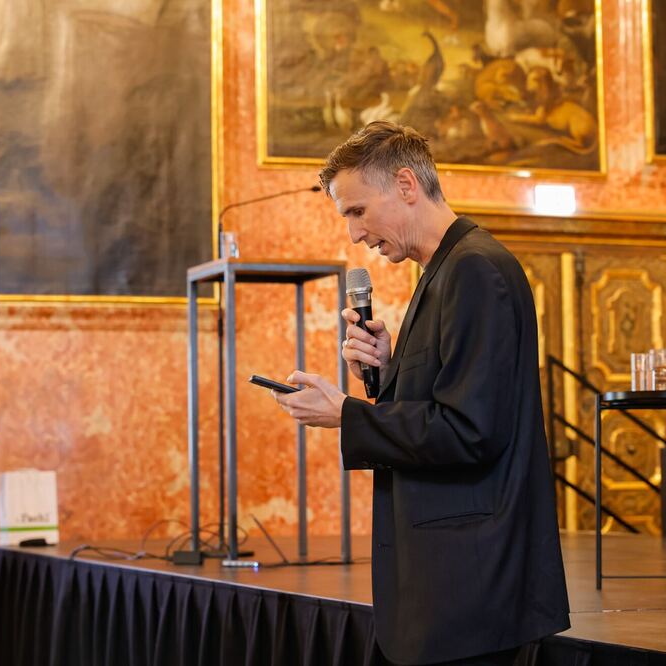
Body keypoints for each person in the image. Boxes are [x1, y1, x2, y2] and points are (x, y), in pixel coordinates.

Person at [273, 121, 569, 665]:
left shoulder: (474, 269)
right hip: (451, 582)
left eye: (357, 211)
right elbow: (451, 399)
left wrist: (347, 414)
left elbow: (469, 431)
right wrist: (388, 373)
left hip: (469, 585)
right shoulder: (444, 270)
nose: (354, 234)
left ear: (406, 185)